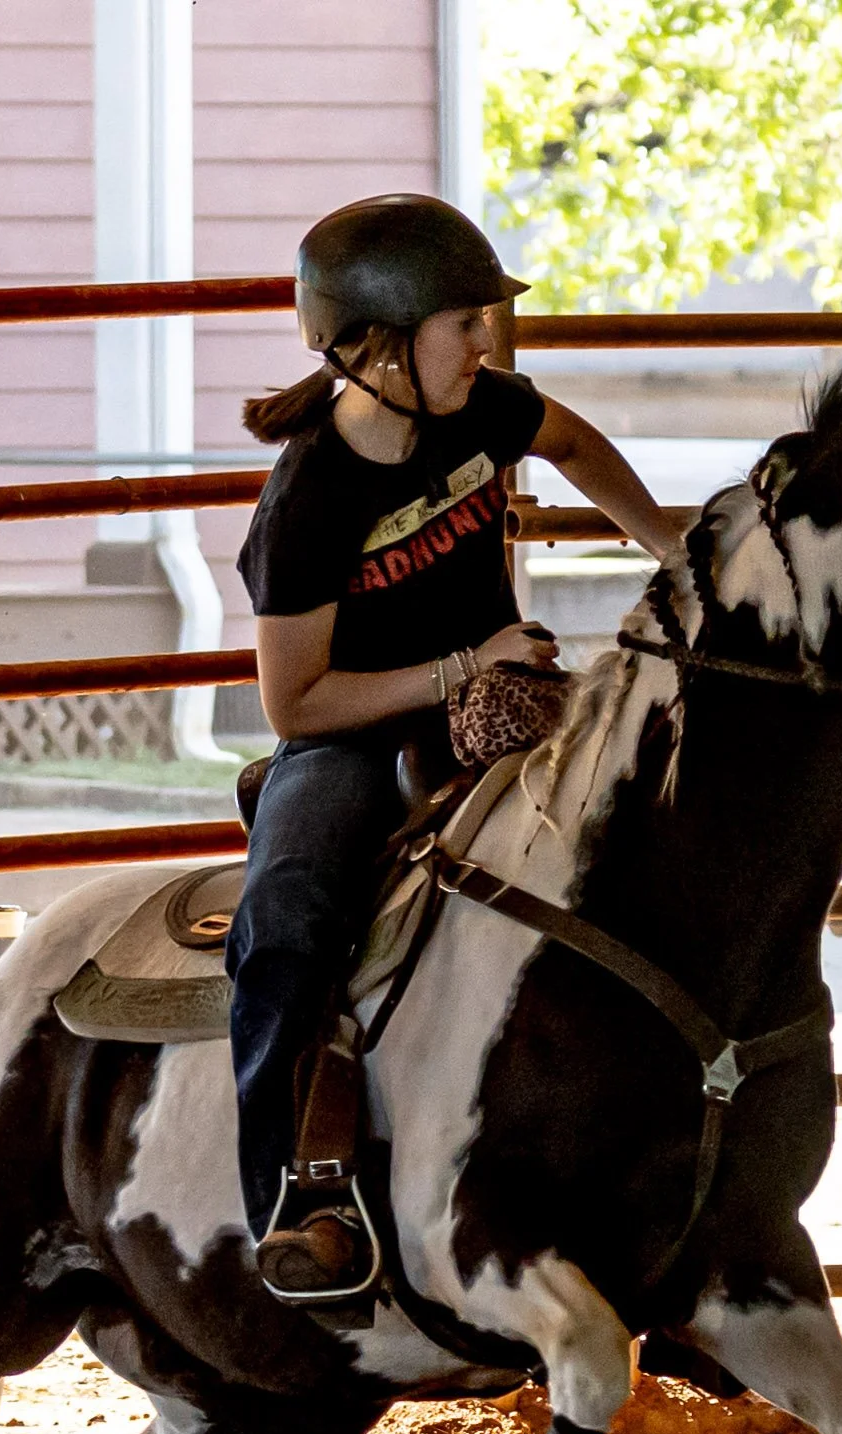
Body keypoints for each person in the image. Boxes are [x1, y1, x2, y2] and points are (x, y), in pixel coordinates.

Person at [229, 192, 681, 1302]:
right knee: (285, 919)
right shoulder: (309, 502)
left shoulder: (481, 412)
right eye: (462, 324)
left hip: (504, 700)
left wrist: (673, 545)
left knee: (654, 828)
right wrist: (459, 667)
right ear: (376, 345)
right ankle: (293, 1197)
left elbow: (570, 441)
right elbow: (296, 704)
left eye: (483, 320)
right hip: (355, 736)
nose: (486, 341)